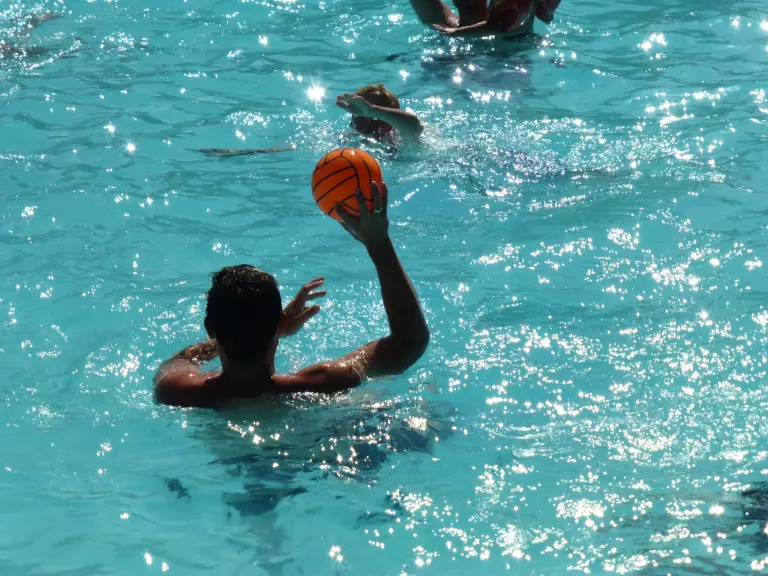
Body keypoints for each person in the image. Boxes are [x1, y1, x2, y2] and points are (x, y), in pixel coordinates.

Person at [154, 181, 429, 408]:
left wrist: (245, 332)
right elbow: (410, 342)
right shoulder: (318, 385)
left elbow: (181, 360)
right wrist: (378, 244)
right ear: (281, 324)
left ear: (210, 328)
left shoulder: (175, 391)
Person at [410, 0, 560, 37]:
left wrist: (456, 33)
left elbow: (494, 26)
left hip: (499, 47)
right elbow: (546, 17)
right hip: (523, 41)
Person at [335, 84, 423, 144]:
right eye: (360, 114)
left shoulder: (402, 141)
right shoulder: (348, 140)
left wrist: (373, 110)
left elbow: (413, 126)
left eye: (376, 117)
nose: (368, 122)